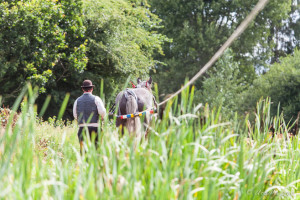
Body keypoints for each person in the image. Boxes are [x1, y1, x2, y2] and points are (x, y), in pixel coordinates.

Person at [73, 80, 106, 152]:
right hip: (95, 128)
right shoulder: (96, 99)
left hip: (82, 129)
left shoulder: (77, 100)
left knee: (83, 151)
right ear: (92, 89)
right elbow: (102, 112)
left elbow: (75, 115)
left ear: (82, 89)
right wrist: (102, 117)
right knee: (96, 150)